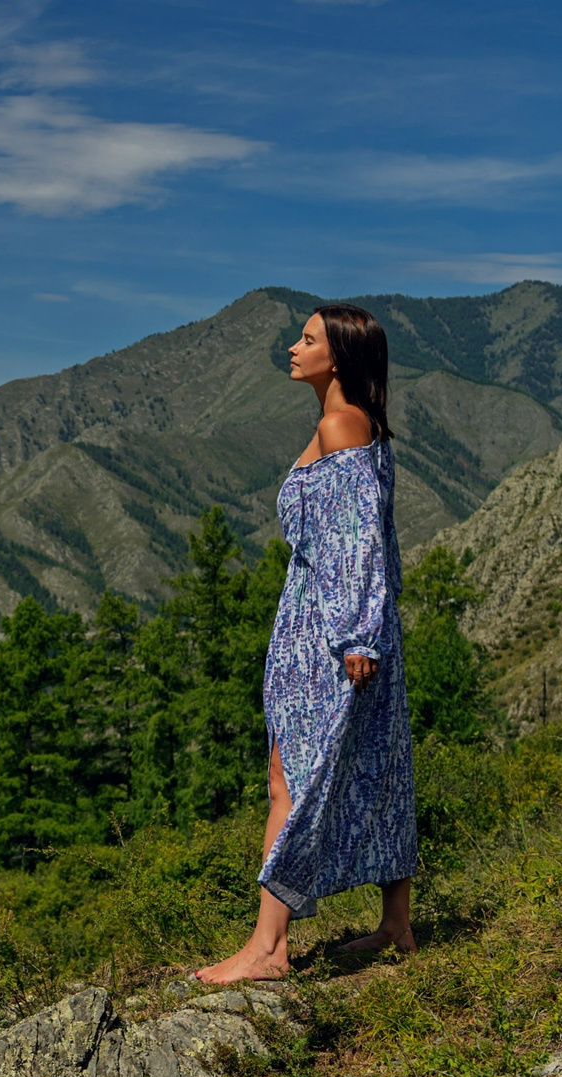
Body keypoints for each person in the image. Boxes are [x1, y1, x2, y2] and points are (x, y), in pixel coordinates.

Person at [193, 303, 418, 984]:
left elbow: (355, 540)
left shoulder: (339, 425)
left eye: (309, 339)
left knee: (289, 779)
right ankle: (396, 926)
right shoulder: (360, 425)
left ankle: (268, 948)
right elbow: (376, 538)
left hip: (328, 631)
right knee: (376, 765)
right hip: (350, 622)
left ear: (340, 356)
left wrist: (355, 633)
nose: (294, 347)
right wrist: (375, 627)